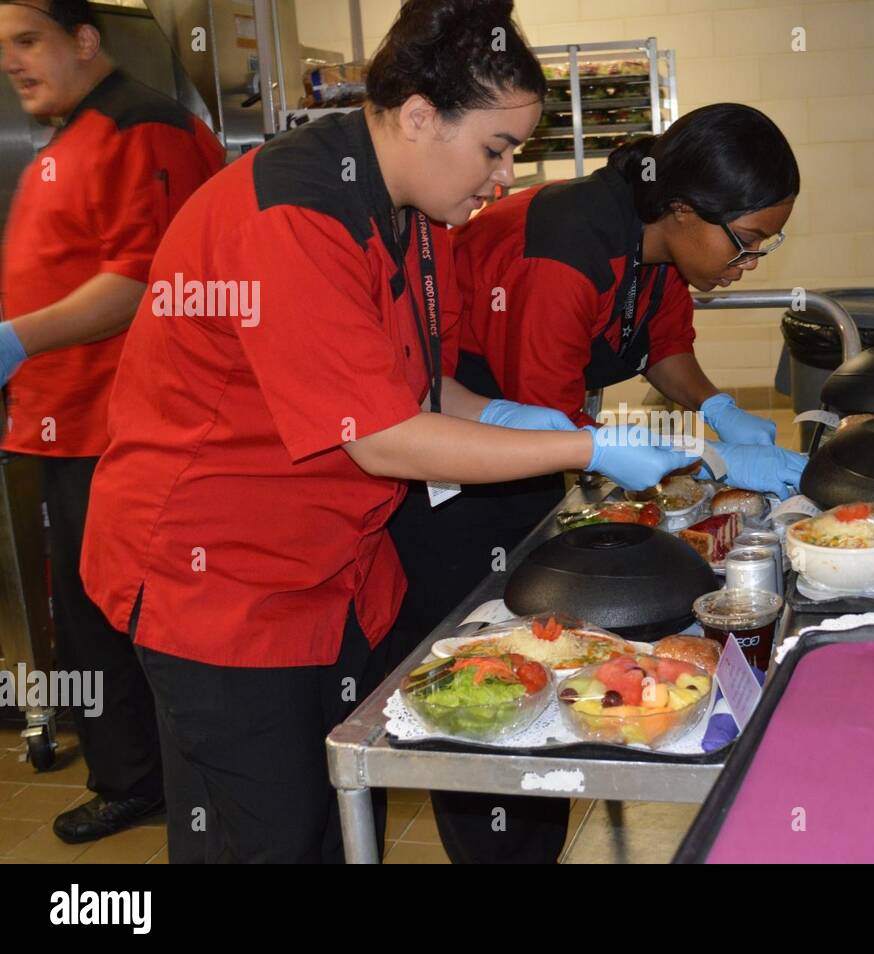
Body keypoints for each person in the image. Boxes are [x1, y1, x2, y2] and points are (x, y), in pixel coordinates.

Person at [79, 0, 690, 863]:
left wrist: (517, 418)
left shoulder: (410, 206)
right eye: (496, 148)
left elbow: (410, 381)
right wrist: (584, 448)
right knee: (266, 837)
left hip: (327, 570)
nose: (505, 177)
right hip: (218, 581)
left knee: (320, 817)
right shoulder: (296, 214)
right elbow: (384, 436)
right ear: (417, 117)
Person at [391, 104, 806, 863]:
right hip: (459, 471)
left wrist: (716, 409)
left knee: (549, 661)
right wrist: (708, 457)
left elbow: (664, 343)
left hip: (532, 449)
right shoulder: (565, 247)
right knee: (493, 685)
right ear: (684, 210)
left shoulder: (659, 241)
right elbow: (554, 428)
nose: (750, 264)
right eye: (745, 244)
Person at [0, 0, 224, 843]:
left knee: (122, 618)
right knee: (89, 616)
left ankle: (147, 781)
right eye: (4, 49)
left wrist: (16, 338)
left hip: (121, 431)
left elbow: (144, 279)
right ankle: (131, 772)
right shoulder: (72, 134)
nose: (14, 63)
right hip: (63, 422)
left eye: (29, 42)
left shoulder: (143, 128)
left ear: (84, 40)